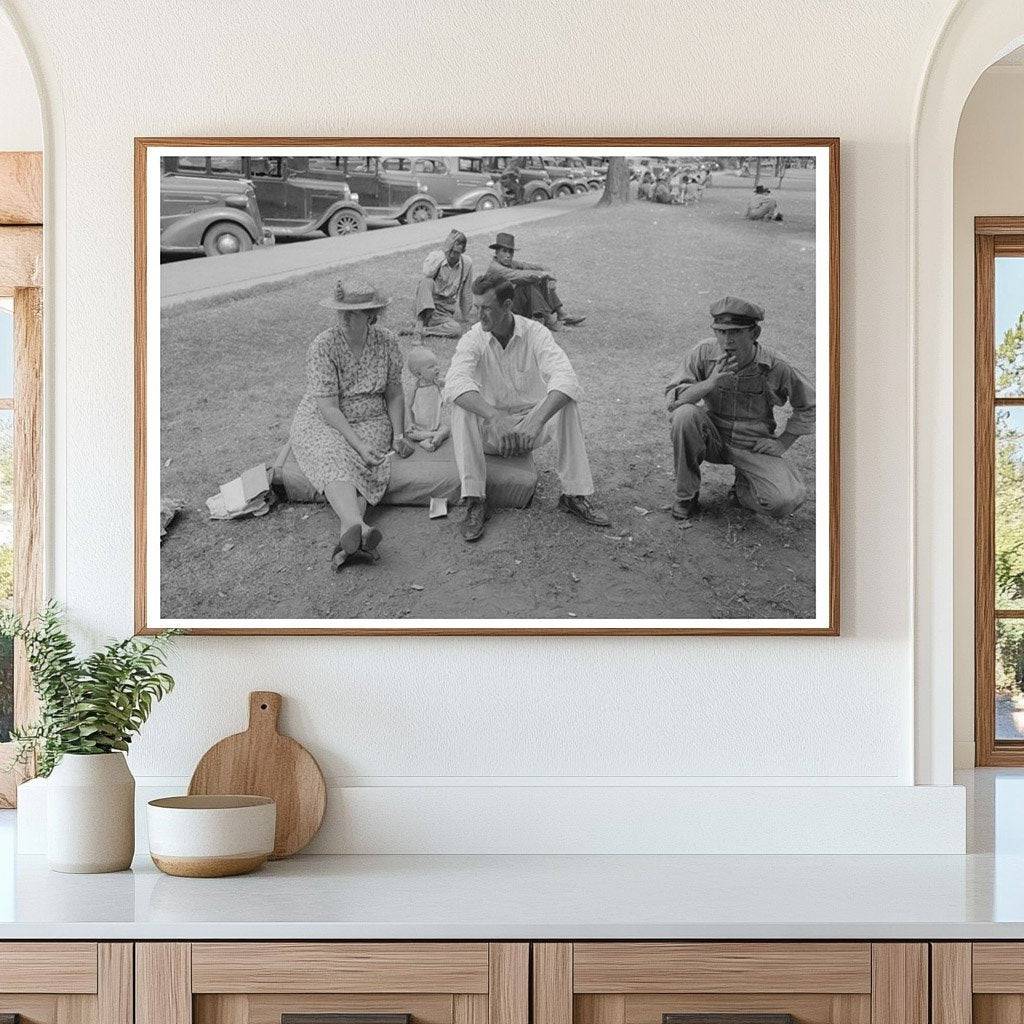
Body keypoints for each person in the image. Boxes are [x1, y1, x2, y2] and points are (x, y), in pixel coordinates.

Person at [445, 270, 610, 542]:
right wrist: (494, 417)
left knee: (567, 402)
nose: (479, 315)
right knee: (462, 407)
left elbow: (566, 378)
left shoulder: (535, 333)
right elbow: (454, 382)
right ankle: (474, 499)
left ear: (507, 305)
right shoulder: (474, 338)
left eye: (486, 308)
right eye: (476, 307)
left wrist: (536, 421)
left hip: (529, 429)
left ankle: (574, 494)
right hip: (493, 432)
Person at [289, 279, 415, 570]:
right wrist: (357, 444)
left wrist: (398, 434)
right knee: (331, 451)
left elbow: (394, 393)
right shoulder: (323, 345)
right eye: (341, 311)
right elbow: (328, 408)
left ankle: (351, 530)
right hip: (325, 417)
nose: (344, 317)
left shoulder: (387, 342)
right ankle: (358, 525)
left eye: (353, 312)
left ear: (371, 315)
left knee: (367, 460)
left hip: (371, 418)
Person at [666, 296, 815, 521]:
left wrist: (783, 442)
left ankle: (742, 491)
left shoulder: (776, 365)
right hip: (712, 436)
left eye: (736, 332)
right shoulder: (703, 353)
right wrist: (710, 383)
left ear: (755, 333)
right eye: (721, 331)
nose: (727, 340)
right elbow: (675, 400)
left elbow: (810, 405)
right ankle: (687, 496)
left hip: (752, 443)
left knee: (785, 502)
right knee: (684, 415)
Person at [487, 232, 585, 331]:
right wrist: (543, 274)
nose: (508, 255)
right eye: (504, 251)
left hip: (512, 305)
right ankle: (550, 321)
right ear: (496, 252)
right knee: (527, 282)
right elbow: (518, 275)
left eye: (511, 252)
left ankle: (561, 314)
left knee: (539, 278)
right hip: (501, 311)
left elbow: (533, 266)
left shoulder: (511, 263)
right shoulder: (495, 268)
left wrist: (548, 274)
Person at [414, 229, 473, 338]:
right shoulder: (436, 256)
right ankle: (419, 325)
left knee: (456, 329)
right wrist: (444, 253)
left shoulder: (467, 263)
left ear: (463, 251)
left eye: (456, 252)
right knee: (426, 282)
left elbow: (466, 291)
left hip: (444, 313)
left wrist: (466, 317)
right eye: (450, 250)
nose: (452, 255)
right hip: (427, 307)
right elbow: (427, 273)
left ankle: (425, 330)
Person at [405, 346, 450, 452]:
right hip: (419, 426)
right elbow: (408, 406)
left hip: (436, 424)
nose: (436, 368)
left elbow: (450, 385)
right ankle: (435, 436)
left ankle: (429, 439)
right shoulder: (415, 387)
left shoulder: (437, 383)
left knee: (446, 429)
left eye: (436, 364)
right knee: (412, 434)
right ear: (419, 374)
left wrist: (444, 383)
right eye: (431, 367)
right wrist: (410, 423)